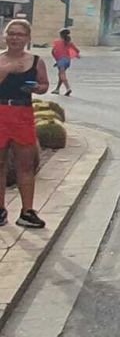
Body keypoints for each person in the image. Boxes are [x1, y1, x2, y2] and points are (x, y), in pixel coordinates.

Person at [0, 19, 50, 229]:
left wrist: (37, 88)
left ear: (28, 38)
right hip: (1, 112)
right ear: (5, 36)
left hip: (23, 113)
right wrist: (7, 69)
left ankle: (27, 211)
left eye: (20, 34)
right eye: (11, 33)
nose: (15, 38)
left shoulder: (36, 60)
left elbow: (45, 84)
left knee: (26, 165)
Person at [50, 28, 80, 95]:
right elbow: (77, 51)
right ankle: (57, 89)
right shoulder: (70, 43)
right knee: (60, 74)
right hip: (67, 60)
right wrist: (71, 53)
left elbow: (53, 52)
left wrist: (57, 60)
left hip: (61, 60)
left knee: (62, 74)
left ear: (60, 35)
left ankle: (68, 88)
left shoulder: (57, 42)